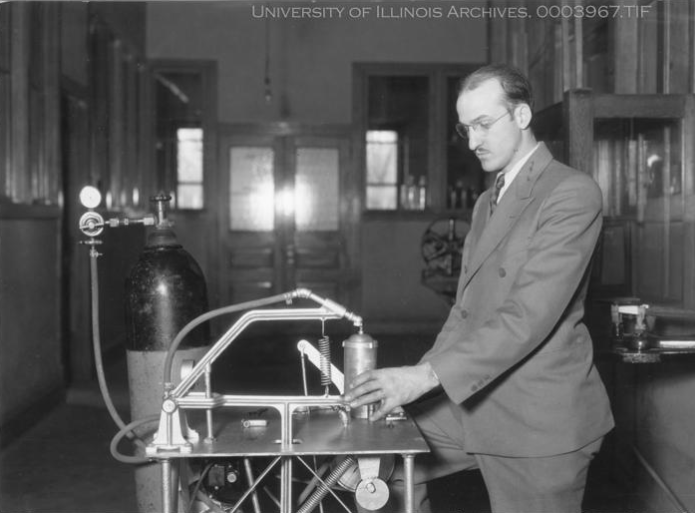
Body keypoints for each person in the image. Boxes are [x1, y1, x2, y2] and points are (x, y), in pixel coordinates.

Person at [344, 63, 615, 513]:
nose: (472, 142)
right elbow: (464, 313)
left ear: (523, 116)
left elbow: (527, 318)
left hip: (537, 419)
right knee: (373, 469)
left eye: (484, 125)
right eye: (465, 128)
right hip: (475, 399)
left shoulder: (570, 193)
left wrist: (422, 378)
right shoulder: (488, 202)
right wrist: (413, 380)